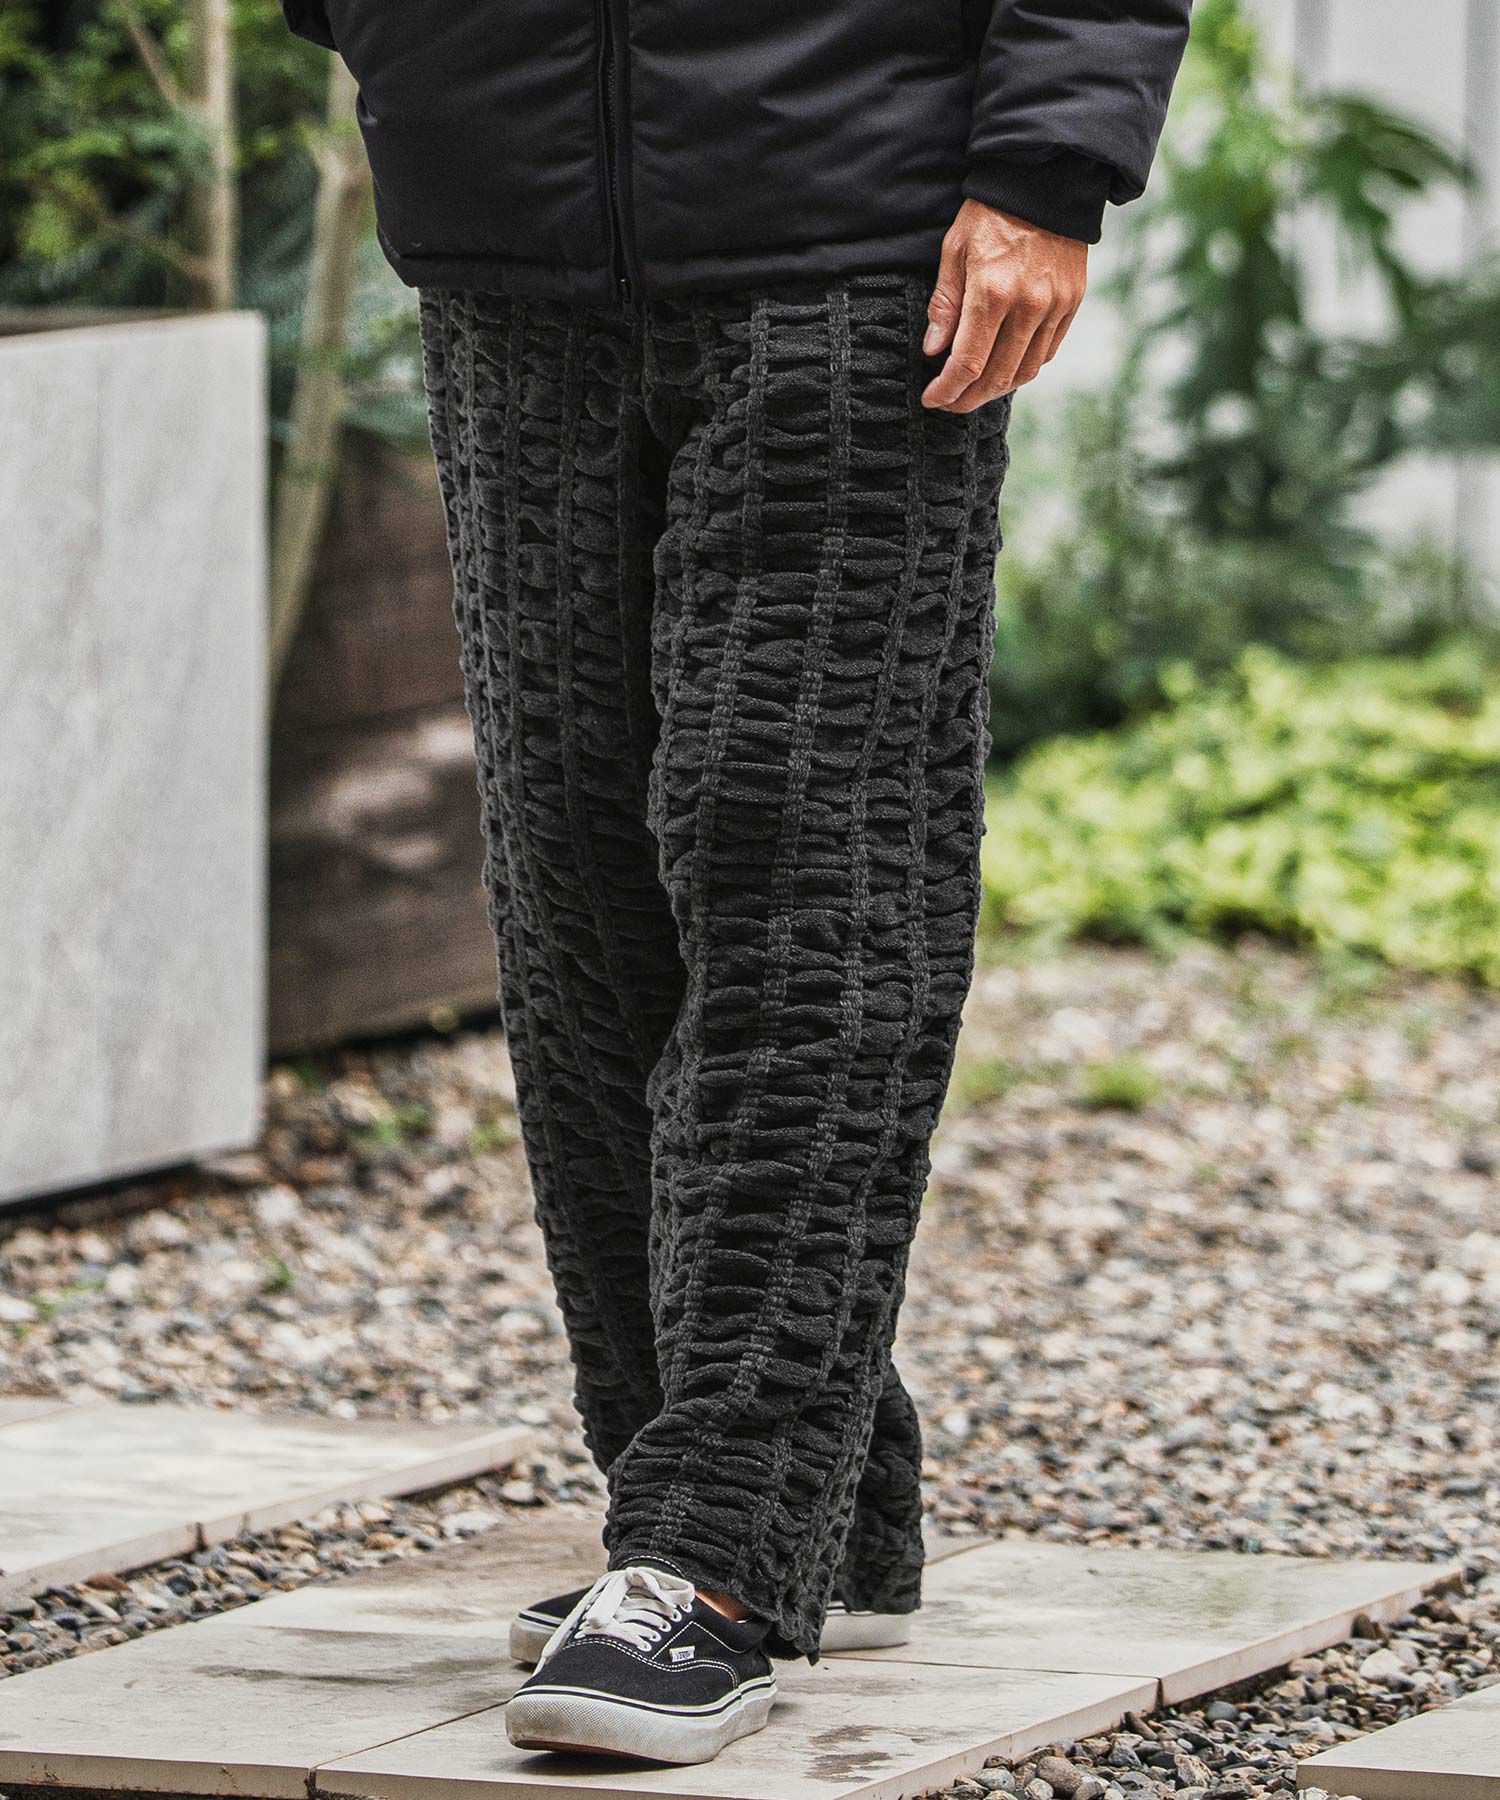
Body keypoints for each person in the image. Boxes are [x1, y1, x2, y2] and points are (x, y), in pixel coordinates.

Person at [282, 0, 1191, 1767]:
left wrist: (1044, 166)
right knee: (578, 907)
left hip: (859, 238)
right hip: (503, 227)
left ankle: (709, 1549)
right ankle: (816, 1517)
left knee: (805, 879)